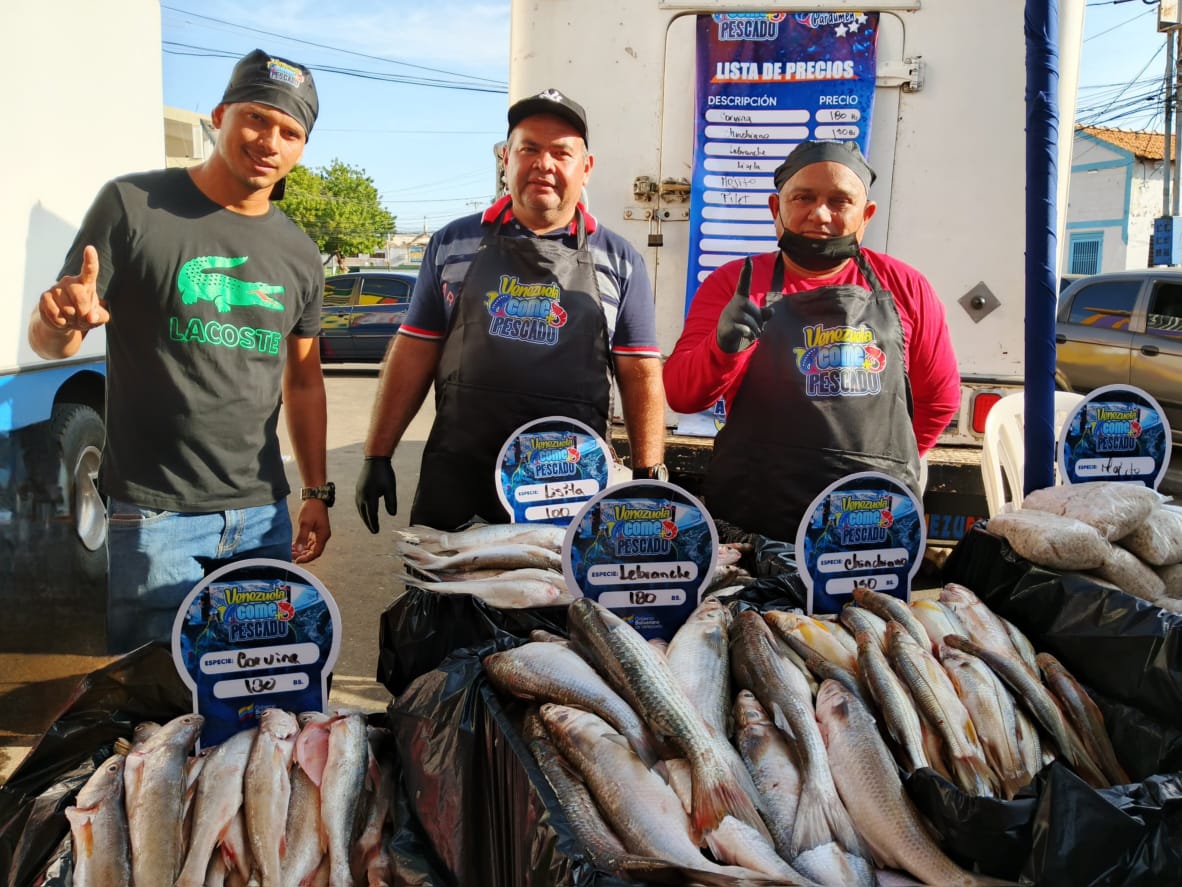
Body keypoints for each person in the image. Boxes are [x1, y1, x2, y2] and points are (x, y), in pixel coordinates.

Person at [27, 49, 333, 652]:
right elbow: (54, 340)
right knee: (154, 704)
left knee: (255, 691)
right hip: (155, 518)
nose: (270, 140)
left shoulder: (299, 252)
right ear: (219, 116)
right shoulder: (132, 205)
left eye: (290, 131)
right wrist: (57, 318)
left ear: (300, 148)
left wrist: (316, 494)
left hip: (261, 516)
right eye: (256, 118)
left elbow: (303, 382)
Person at [356, 88, 666, 532]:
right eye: (529, 149)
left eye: (561, 152)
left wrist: (647, 475)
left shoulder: (619, 259)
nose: (544, 164)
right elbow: (413, 353)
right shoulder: (451, 244)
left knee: (557, 602)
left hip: (566, 488)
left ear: (587, 168)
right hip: (459, 481)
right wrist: (377, 452)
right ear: (506, 158)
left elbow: (640, 374)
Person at [663, 140, 960, 542]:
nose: (819, 214)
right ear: (776, 208)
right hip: (756, 514)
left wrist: (888, 465)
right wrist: (722, 348)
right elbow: (682, 396)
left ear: (866, 215)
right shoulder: (734, 283)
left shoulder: (905, 286)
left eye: (840, 201)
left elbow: (939, 399)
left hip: (869, 519)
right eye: (803, 197)